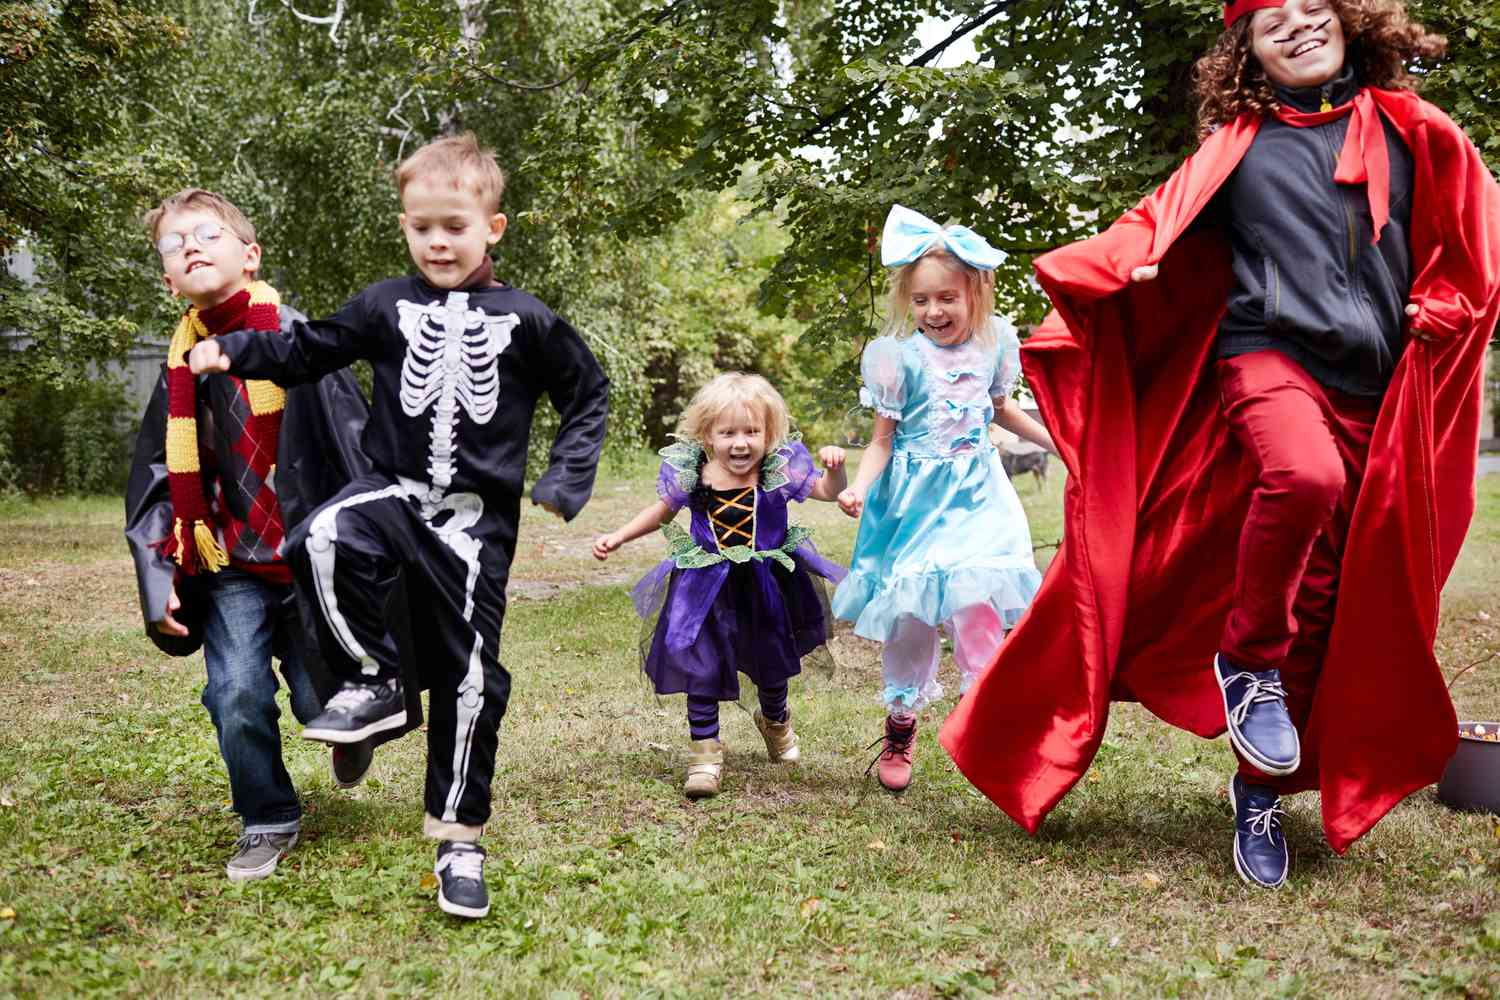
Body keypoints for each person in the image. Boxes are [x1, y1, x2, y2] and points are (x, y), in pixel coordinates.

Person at [942, 0, 1499, 888]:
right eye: (1272, 18)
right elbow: (1151, 223)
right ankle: (1245, 660)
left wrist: (1443, 307)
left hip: (1376, 389)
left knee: (1324, 601)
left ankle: (1260, 790)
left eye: (1313, 7)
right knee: (1301, 475)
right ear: (1248, 48)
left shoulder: (1418, 131)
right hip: (1267, 355)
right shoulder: (1238, 145)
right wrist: (1108, 270)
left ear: (1352, 21)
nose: (1298, 25)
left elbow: (1473, 250)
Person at [187, 133, 610, 918]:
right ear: (406, 228)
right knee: (320, 535)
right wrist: (235, 350)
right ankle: (373, 679)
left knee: (472, 678)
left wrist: (566, 475)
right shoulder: (386, 305)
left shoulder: (527, 319)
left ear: (494, 227)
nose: (437, 241)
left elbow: (588, 392)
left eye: (454, 224)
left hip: (476, 528)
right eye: (421, 227)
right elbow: (309, 348)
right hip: (393, 492)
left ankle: (459, 841)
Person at [125, 188, 374, 882]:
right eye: (176, 245)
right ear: (169, 278)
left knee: (323, 698)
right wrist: (158, 579)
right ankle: (266, 814)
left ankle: (347, 733)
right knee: (235, 695)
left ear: (250, 253)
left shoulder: (298, 342)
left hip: (304, 557)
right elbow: (155, 477)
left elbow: (356, 452)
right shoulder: (180, 365)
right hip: (230, 561)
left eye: (208, 234)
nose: (193, 247)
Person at [834, 205, 1056, 793]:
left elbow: (1004, 408)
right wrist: (858, 485)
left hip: (979, 495)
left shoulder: (996, 344)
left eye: (947, 299)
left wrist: (1056, 442)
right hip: (913, 504)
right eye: (923, 300)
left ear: (975, 293)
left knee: (979, 601)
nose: (934, 311)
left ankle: (984, 720)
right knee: (911, 616)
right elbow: (882, 440)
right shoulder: (896, 358)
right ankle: (901, 723)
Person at [593, 373, 847, 798]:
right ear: (707, 434)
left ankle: (775, 721)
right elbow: (659, 512)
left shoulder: (777, 471)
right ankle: (705, 753)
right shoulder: (694, 472)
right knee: (700, 666)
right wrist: (619, 536)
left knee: (771, 664)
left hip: (765, 585)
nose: (740, 443)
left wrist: (836, 472)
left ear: (769, 434)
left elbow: (825, 490)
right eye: (727, 432)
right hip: (704, 589)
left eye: (752, 431)